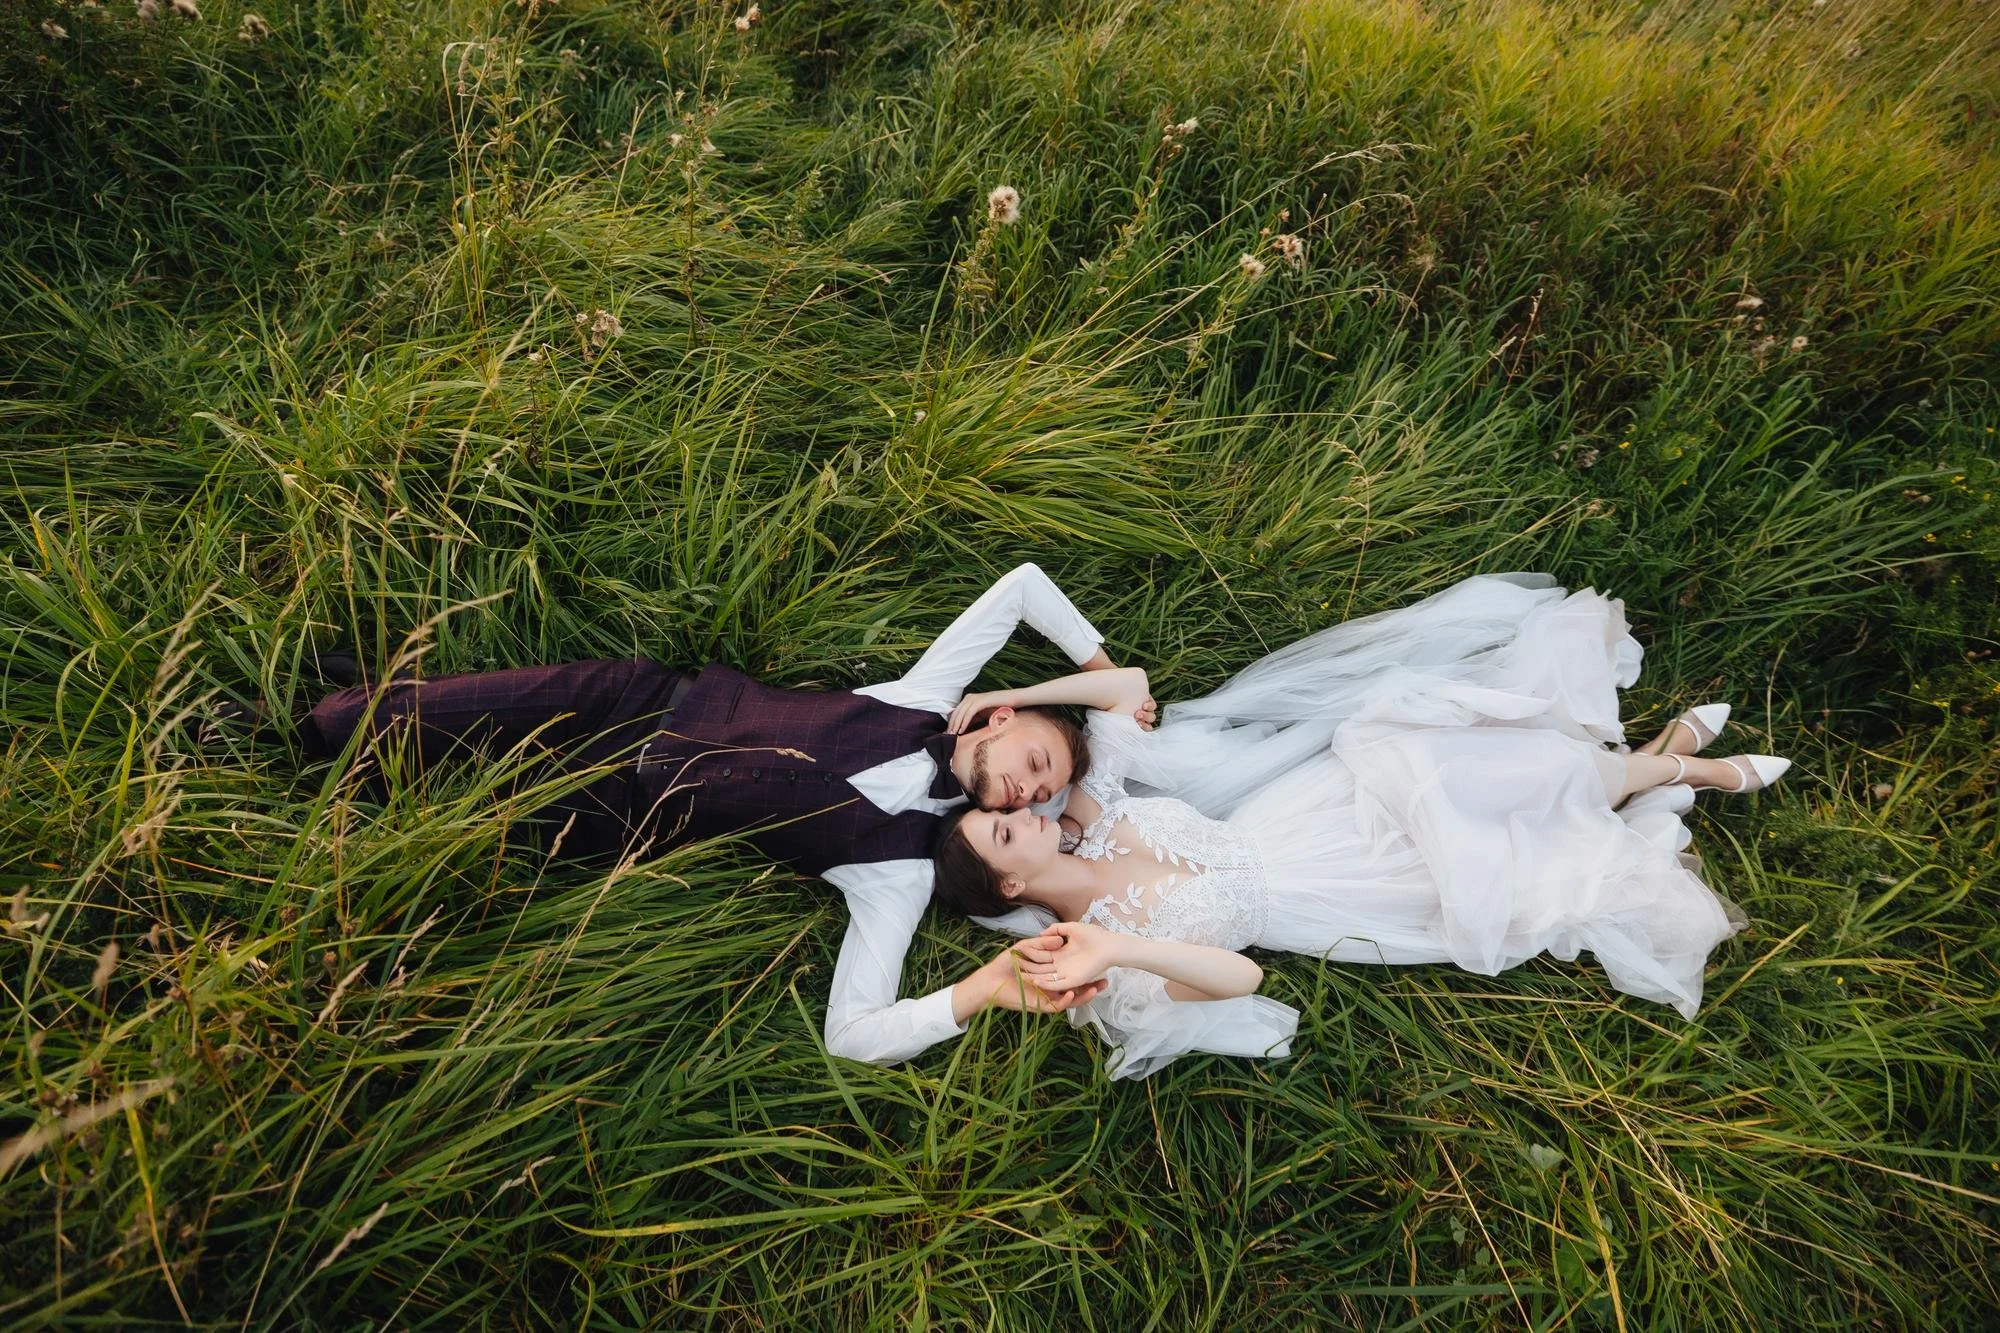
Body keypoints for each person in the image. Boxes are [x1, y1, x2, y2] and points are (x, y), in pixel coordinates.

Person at [929, 573, 1791, 1079]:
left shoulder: (1090, 812)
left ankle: (1666, 765)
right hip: (1331, 892)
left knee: (1464, 764)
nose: (1022, 809)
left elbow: (1125, 690)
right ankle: (1675, 763)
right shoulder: (1100, 958)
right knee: (1506, 851)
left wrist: (1017, 695)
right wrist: (1121, 948)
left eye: (1005, 808)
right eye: (1004, 830)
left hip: (1305, 812)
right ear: (1013, 884)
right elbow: (1242, 976)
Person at [294, 564, 1158, 1064]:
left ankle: (336, 768)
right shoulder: (924, 696)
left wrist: (976, 994)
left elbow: (851, 1033)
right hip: (643, 698)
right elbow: (1032, 597)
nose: (1026, 790)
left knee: (444, 803)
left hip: (619, 809)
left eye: (1036, 795)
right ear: (999, 719)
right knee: (453, 707)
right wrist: (1089, 668)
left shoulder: (899, 871)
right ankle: (316, 719)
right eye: (1033, 761)